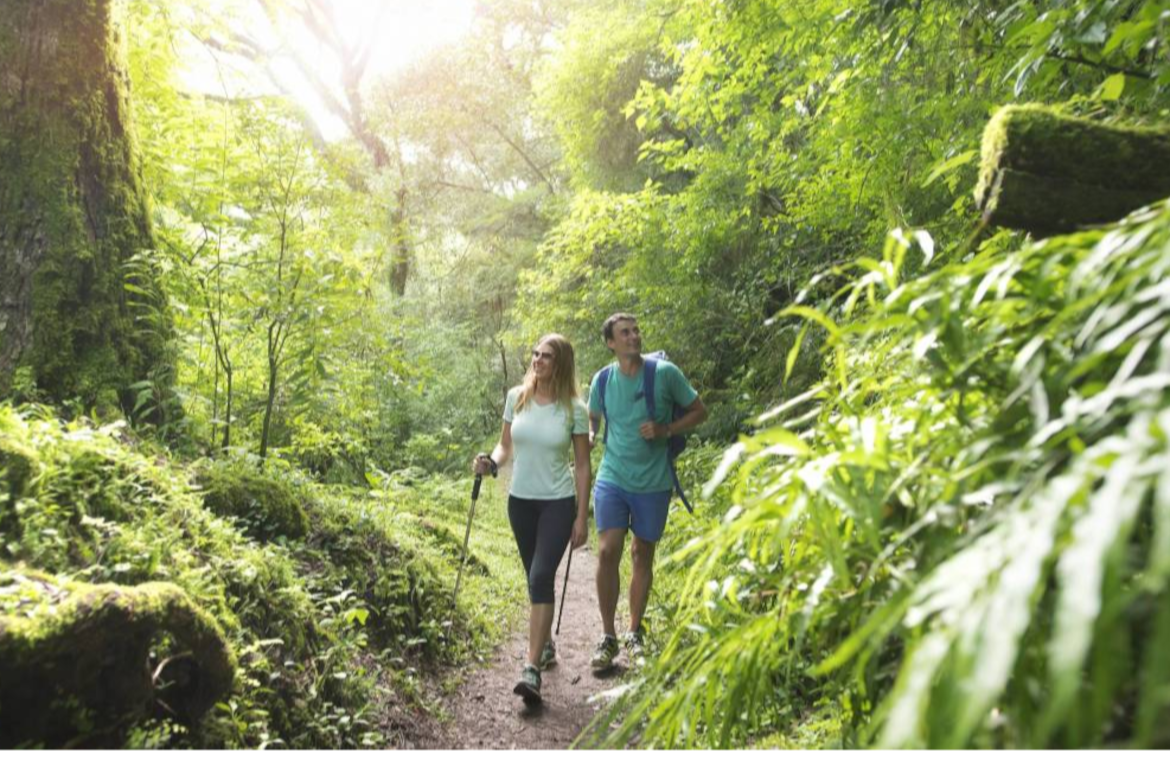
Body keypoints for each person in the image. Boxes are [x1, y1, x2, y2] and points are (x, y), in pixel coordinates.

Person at [474, 334, 591, 704]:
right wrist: (491, 463)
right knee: (533, 578)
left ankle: (531, 668)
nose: (538, 361)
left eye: (547, 357)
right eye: (536, 355)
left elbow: (584, 465)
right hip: (520, 503)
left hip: (557, 503)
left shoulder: (575, 409)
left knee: (541, 576)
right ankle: (546, 643)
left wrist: (582, 516)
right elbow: (505, 445)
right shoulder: (516, 397)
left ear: (561, 364)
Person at [587, 314, 707, 670]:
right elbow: (593, 416)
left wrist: (667, 428)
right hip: (612, 477)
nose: (634, 337)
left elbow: (700, 411)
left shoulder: (664, 374)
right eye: (625, 333)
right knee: (608, 551)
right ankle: (608, 638)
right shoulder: (603, 379)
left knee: (642, 554)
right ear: (610, 342)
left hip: (653, 482)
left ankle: (634, 632)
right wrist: (591, 435)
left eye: (636, 330)